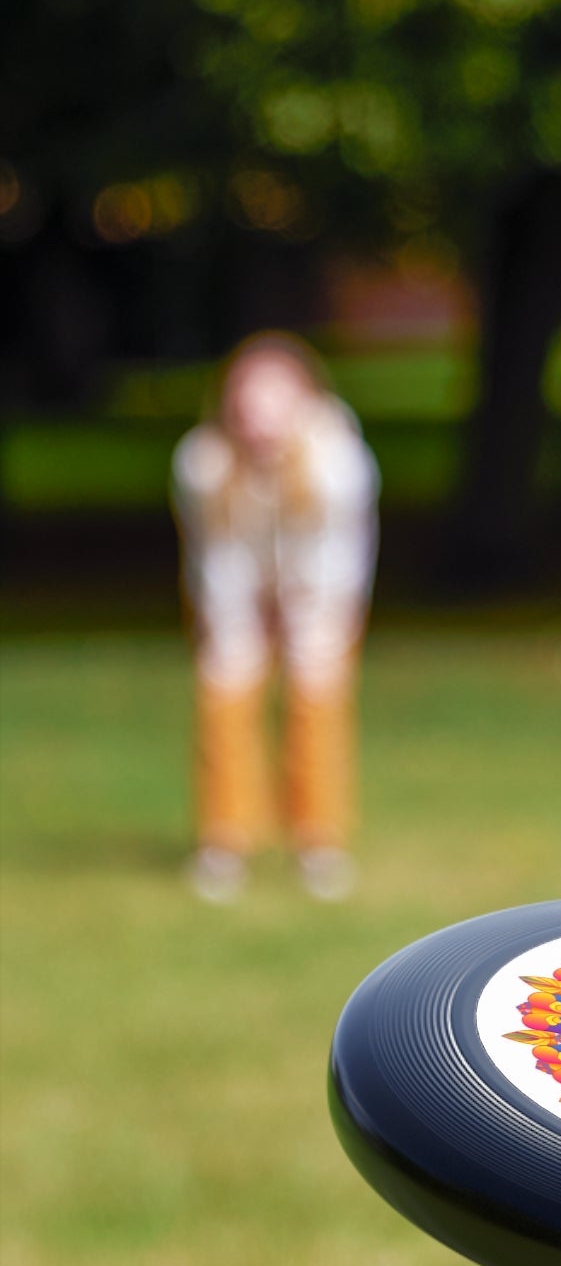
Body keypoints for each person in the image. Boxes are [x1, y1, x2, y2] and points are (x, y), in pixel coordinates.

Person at [172, 332, 379, 903]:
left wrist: (305, 618)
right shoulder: (203, 463)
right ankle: (225, 841)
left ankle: (319, 842)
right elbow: (216, 557)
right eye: (248, 399)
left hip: (320, 593)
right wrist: (238, 625)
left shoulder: (338, 461)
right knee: (224, 693)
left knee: (317, 700)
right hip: (234, 591)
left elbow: (337, 557)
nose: (259, 415)